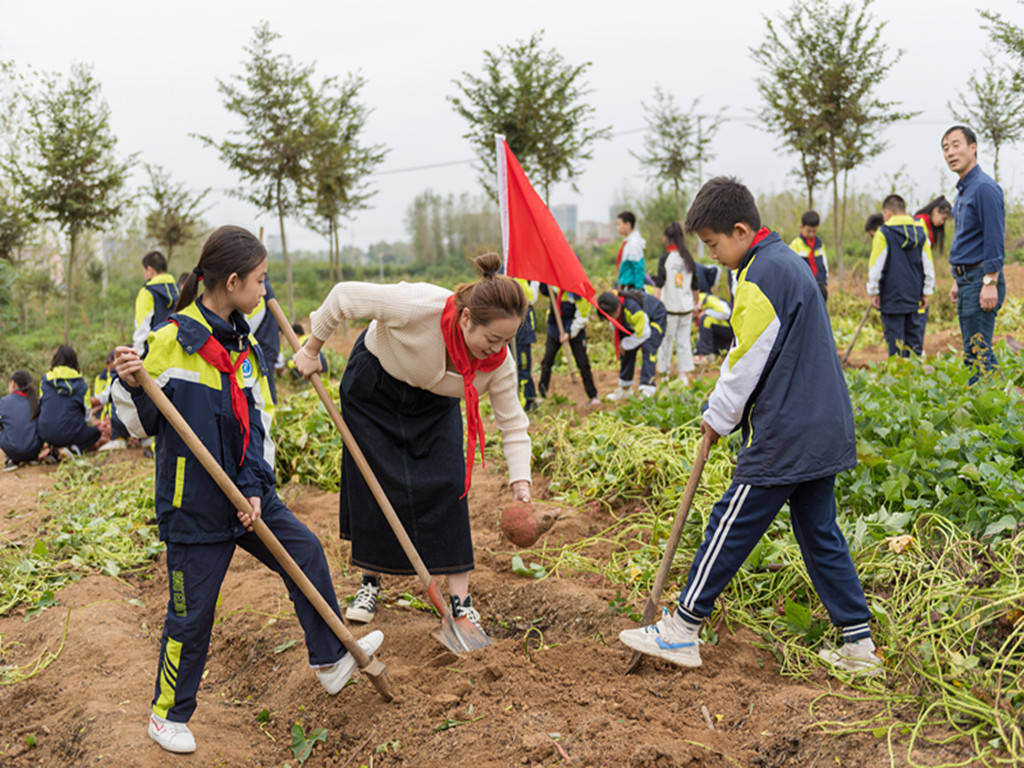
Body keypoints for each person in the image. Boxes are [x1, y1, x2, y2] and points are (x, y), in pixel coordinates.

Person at [111, 226, 382, 755]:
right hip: (194, 504)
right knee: (192, 615)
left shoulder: (243, 343)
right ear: (231, 282)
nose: (264, 291)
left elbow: (257, 422)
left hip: (248, 493)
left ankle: (328, 659)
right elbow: (140, 424)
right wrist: (127, 381)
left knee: (303, 550)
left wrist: (257, 488)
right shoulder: (170, 338)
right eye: (259, 281)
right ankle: (167, 715)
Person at [619, 177, 879, 675]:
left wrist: (717, 417)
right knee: (819, 530)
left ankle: (683, 628)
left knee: (731, 521)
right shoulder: (785, 264)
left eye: (715, 244)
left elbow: (746, 359)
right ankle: (859, 644)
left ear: (741, 230)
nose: (714, 255)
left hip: (788, 428)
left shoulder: (763, 274)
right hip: (821, 423)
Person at [293, 253, 532, 629]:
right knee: (374, 483)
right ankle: (370, 583)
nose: (497, 348)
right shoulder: (419, 305)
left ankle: (461, 603)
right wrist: (311, 349)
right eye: (492, 338)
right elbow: (343, 297)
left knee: (450, 485)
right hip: (376, 387)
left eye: (507, 340)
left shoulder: (498, 362)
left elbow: (513, 424)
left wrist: (521, 481)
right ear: (467, 318)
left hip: (435, 402)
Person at [942, 125, 1006, 383]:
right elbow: (968, 239)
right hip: (968, 280)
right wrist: (958, 280)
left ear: (973, 147)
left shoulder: (984, 188)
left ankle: (997, 410)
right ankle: (991, 403)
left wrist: (989, 282)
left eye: (956, 145)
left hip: (981, 278)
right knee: (974, 350)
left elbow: (994, 237)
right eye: (945, 148)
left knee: (978, 352)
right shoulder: (964, 191)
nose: (950, 153)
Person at [866, 195, 935, 357]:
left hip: (892, 298)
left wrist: (874, 291)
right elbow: (928, 265)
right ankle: (917, 379)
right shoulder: (920, 232)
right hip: (915, 297)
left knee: (896, 346)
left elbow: (875, 267)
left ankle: (898, 381)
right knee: (914, 345)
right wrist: (926, 291)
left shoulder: (883, 233)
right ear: (904, 211)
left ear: (887, 213)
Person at [596, 288, 667, 400]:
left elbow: (644, 333)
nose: (611, 318)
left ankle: (647, 389)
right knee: (626, 351)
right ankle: (625, 388)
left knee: (648, 347)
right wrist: (624, 345)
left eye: (612, 315)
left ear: (618, 307)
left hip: (655, 317)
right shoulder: (616, 313)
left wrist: (625, 344)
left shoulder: (632, 308)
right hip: (635, 324)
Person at [537, 284, 599, 406]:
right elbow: (545, 291)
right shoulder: (556, 285)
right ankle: (542, 394)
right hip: (555, 325)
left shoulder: (581, 293)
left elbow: (582, 317)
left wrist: (569, 334)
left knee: (583, 363)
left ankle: (593, 396)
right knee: (547, 361)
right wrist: (544, 283)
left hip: (575, 327)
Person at [37, 345, 105, 456]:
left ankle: (55, 449)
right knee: (95, 433)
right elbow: (87, 417)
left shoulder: (45, 381)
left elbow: (43, 406)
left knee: (54, 428)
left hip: (46, 433)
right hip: (72, 434)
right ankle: (73, 449)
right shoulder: (81, 384)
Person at [653, 222, 698, 383]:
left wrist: (654, 305)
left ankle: (664, 374)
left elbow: (659, 284)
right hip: (686, 308)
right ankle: (683, 376)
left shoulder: (666, 258)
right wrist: (696, 304)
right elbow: (695, 285)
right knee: (683, 341)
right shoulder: (688, 258)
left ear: (667, 238)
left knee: (666, 342)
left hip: (669, 308)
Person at [133, 250, 181, 355]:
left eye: (144, 271)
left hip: (154, 353)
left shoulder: (147, 292)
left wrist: (138, 354)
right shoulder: (179, 290)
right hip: (177, 351)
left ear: (149, 270)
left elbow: (142, 327)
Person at [246, 277, 282, 404]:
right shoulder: (264, 284)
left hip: (264, 345)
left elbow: (248, 325)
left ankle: (271, 416)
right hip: (268, 343)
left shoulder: (259, 288)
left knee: (264, 386)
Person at [0, 371, 43, 469]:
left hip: (12, 450)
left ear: (13, 384)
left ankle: (10, 459)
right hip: (34, 449)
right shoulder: (36, 401)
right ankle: (32, 458)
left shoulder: (3, 401)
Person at [92, 350, 131, 452]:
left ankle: (119, 437)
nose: (109, 368)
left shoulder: (116, 373)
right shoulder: (100, 378)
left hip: (115, 418)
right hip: (104, 416)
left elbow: (106, 396)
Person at [788, 210, 829, 301]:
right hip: (802, 291)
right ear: (801, 227)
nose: (811, 234)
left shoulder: (820, 246)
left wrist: (824, 284)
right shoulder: (794, 246)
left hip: (819, 289)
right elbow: (790, 271)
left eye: (814, 231)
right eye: (808, 231)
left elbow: (825, 267)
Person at [512, 278, 539, 411]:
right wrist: (535, 282)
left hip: (521, 334)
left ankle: (529, 400)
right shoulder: (518, 276)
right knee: (522, 369)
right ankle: (525, 403)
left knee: (522, 369)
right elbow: (530, 298)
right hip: (520, 334)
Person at [694, 291, 734, 358]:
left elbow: (726, 313)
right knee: (704, 321)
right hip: (721, 329)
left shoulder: (708, 299)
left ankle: (706, 354)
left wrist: (706, 312)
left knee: (706, 319)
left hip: (730, 328)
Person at [615, 211, 646, 290]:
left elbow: (638, 268)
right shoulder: (628, 242)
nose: (617, 227)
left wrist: (638, 290)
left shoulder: (633, 243)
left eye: (619, 224)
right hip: (625, 286)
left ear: (628, 225)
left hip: (631, 288)